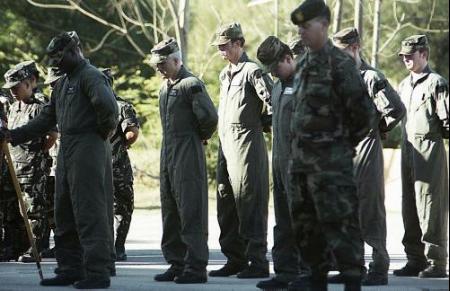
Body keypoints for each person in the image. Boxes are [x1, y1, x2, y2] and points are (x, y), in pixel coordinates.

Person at [0, 31, 118, 289]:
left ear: (74, 51)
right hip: (68, 150)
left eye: (59, 57)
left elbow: (109, 111)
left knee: (89, 211)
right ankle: (70, 268)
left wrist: (98, 136)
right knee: (64, 211)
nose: (56, 63)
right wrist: (14, 135)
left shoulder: (91, 77)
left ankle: (97, 272)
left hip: (88, 147)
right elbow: (46, 119)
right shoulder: (63, 84)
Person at [288, 0, 375, 290]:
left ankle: (352, 280)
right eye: (299, 27)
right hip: (302, 166)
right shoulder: (302, 65)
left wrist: (338, 148)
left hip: (331, 168)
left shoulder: (340, 64)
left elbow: (363, 115)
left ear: (324, 26)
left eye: (306, 26)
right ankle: (315, 277)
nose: (301, 31)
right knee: (307, 230)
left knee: (341, 227)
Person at [332, 27, 406, 286]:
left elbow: (395, 109)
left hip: (365, 150)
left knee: (370, 209)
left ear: (354, 48)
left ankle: (378, 267)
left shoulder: (370, 77)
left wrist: (378, 128)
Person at [150, 38, 218, 284]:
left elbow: (210, 118)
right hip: (168, 153)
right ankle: (177, 263)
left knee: (191, 209)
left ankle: (196, 267)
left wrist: (199, 137)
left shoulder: (191, 84)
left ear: (177, 60)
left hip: (187, 151)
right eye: (156, 65)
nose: (159, 68)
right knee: (170, 210)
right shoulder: (165, 87)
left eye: (163, 64)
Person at [210, 22, 273, 279]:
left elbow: (272, 102)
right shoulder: (225, 74)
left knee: (250, 204)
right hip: (226, 147)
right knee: (226, 204)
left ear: (239, 43)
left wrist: (264, 126)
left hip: (247, 145)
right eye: (219, 47)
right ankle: (234, 259)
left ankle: (257, 261)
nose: (222, 51)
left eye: (225, 46)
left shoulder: (252, 71)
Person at [255, 36, 309, 290]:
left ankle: (308, 274)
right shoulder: (277, 86)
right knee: (283, 222)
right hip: (279, 163)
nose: (274, 73)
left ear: (289, 58)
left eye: (276, 67)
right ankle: (285, 272)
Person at [394, 34, 449, 278]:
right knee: (409, 206)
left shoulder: (437, 83)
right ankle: (414, 259)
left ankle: (436, 263)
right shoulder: (404, 85)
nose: (406, 59)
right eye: (403, 56)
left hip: (429, 149)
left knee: (430, 206)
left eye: (410, 55)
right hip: (408, 149)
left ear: (423, 54)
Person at [1, 61, 56, 263]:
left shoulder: (40, 105)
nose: (13, 92)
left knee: (34, 210)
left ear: (30, 82)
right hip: (12, 167)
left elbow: (52, 135)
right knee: (11, 210)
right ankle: (14, 246)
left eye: (17, 87)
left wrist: (38, 155)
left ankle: (36, 248)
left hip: (32, 167)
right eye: (11, 88)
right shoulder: (14, 107)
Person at [101, 68, 139, 262]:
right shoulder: (122, 105)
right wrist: (122, 145)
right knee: (122, 208)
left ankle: (106, 246)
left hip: (98, 165)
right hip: (117, 164)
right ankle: (118, 247)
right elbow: (132, 133)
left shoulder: (91, 106)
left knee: (100, 207)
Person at [40, 67, 65, 259]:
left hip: (67, 163)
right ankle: (53, 244)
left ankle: (65, 246)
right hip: (52, 164)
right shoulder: (52, 104)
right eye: (50, 85)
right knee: (50, 207)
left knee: (65, 208)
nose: (52, 88)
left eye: (55, 83)